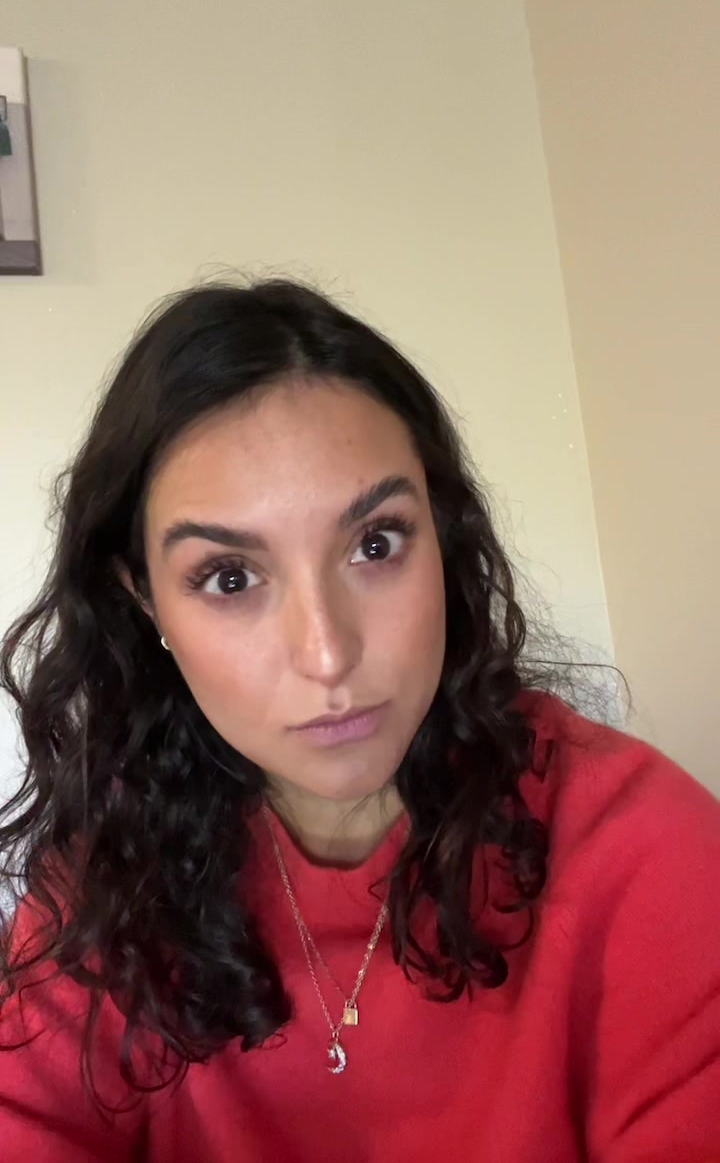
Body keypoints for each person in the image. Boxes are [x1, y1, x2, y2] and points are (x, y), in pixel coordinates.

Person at [0, 278, 718, 1163]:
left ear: (443, 539)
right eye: (230, 577)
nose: (328, 654)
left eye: (375, 544)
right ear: (144, 600)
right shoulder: (106, 886)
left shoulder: (641, 848)